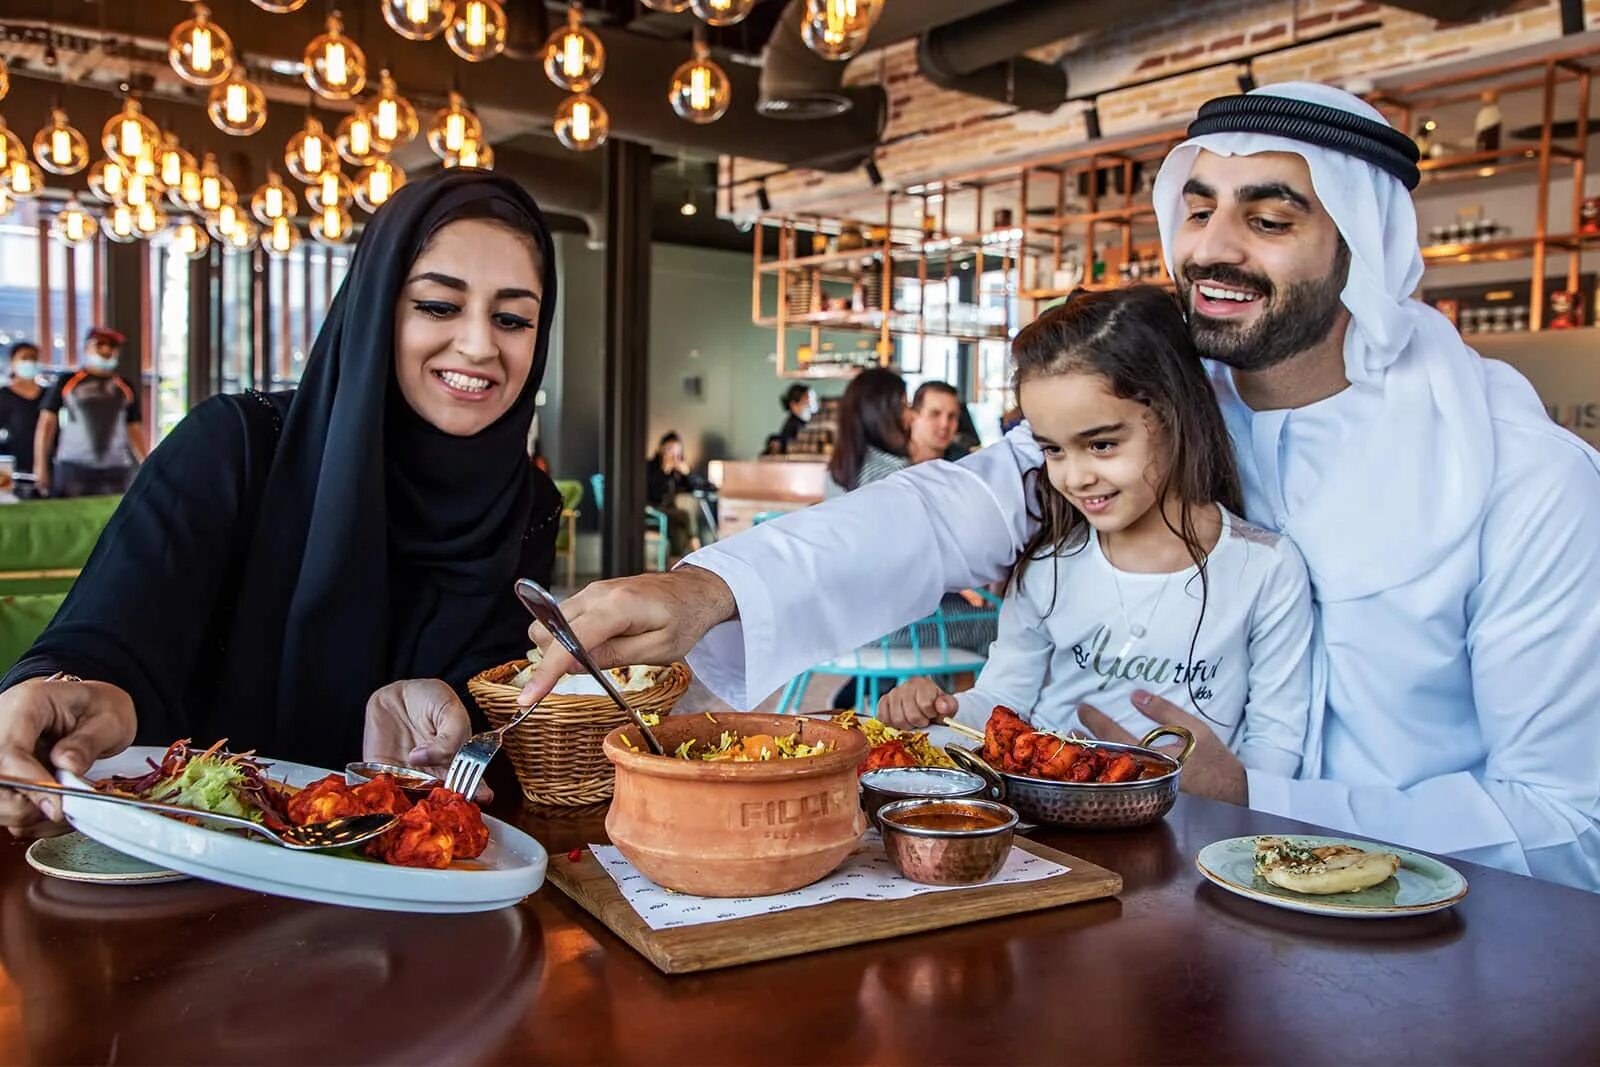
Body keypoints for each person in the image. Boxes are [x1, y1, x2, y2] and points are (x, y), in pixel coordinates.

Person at [519, 83, 1600, 892]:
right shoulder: (1169, 410)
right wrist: (702, 589)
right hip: (1152, 906)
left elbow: (1569, 821)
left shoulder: (1520, 476)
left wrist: (1266, 802)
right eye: (1199, 207)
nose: (1212, 248)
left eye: (1269, 219)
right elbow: (947, 508)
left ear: (1361, 243)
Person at [0, 169, 563, 837]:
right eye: (438, 306)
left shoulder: (523, 504)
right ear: (377, 306)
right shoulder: (233, 447)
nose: (478, 344)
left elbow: (497, 724)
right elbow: (108, 633)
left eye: (512, 318)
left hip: (404, 904)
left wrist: (460, 721)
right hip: (192, 883)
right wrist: (75, 693)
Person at [878, 288, 1313, 780]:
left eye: (1101, 444)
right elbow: (1003, 700)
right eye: (1053, 450)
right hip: (1049, 830)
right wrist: (941, 708)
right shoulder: (1048, 567)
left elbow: (1274, 749)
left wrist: (1223, 786)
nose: (1075, 477)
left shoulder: (1266, 569)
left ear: (1174, 414)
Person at [35, 327, 148, 498]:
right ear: (87, 348)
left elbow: (134, 428)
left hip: (116, 468)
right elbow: (46, 423)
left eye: (112, 346)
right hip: (74, 466)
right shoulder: (68, 381)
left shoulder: (124, 386)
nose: (106, 350)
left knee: (115, 521)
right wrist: (40, 467)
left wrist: (147, 463)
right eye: (100, 344)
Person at [825, 367, 909, 499]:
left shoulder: (838, 470)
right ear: (881, 414)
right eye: (903, 406)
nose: (910, 415)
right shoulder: (891, 473)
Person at [646, 430, 698, 557]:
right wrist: (664, 472)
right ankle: (697, 550)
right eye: (669, 449)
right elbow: (652, 493)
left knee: (679, 532)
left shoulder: (677, 470)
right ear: (660, 449)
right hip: (653, 508)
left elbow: (694, 488)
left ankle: (674, 566)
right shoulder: (650, 467)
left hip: (671, 513)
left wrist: (687, 474)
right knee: (685, 515)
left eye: (676, 450)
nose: (672, 454)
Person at [0, 343, 43, 495]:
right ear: (12, 362)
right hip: (15, 465)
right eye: (24, 358)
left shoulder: (48, 395)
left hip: (45, 463)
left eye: (33, 358)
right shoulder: (4, 395)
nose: (30, 362)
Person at [906, 381, 965, 464]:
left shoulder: (964, 462)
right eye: (935, 414)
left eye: (951, 416)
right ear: (913, 416)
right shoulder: (888, 465)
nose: (945, 424)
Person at [777, 383, 816, 452]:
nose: (809, 405)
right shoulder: (791, 426)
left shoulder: (803, 423)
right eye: (805, 401)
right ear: (793, 405)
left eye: (808, 401)